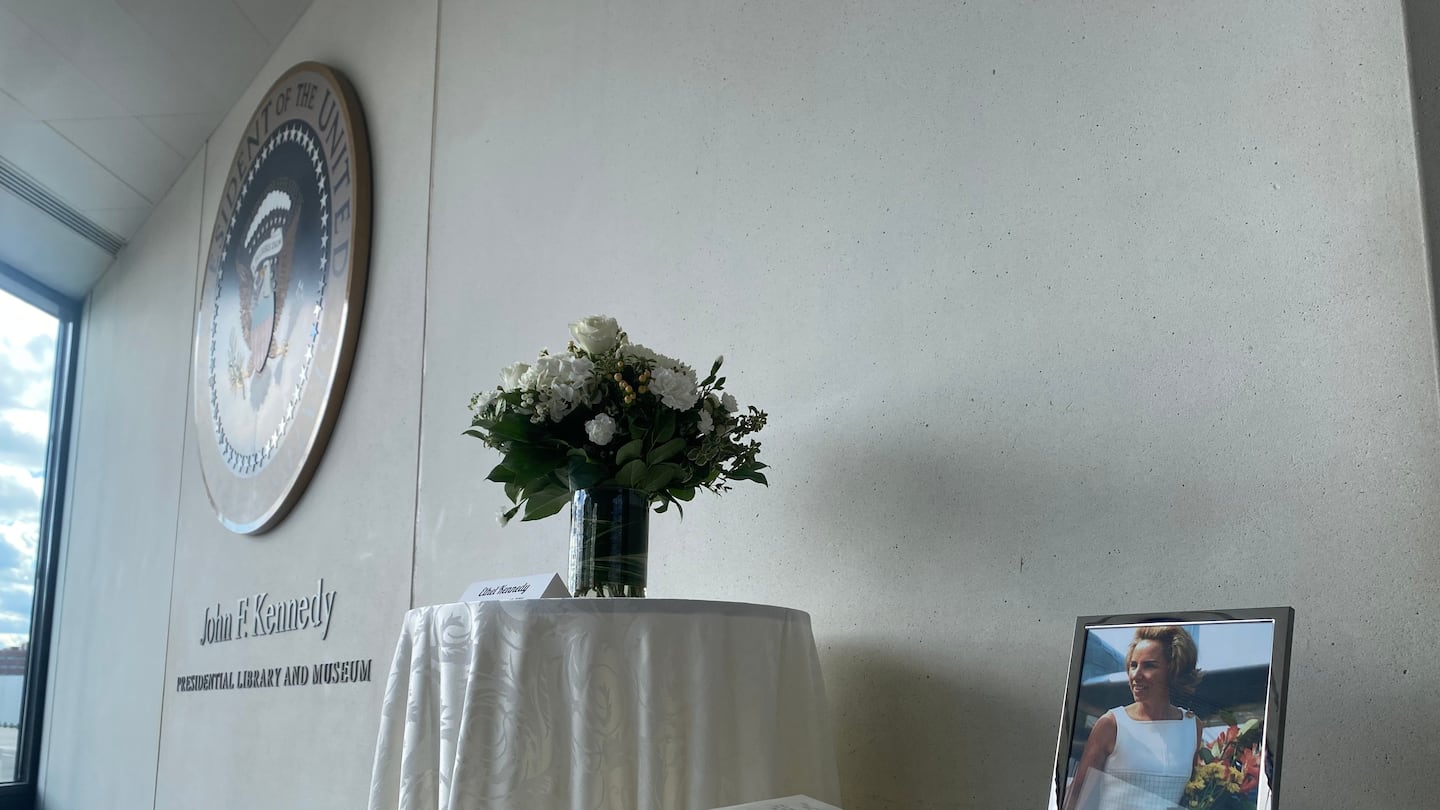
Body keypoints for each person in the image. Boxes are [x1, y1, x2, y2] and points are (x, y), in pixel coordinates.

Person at [1063, 625, 1204, 810]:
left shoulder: (1193, 726)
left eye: (1149, 665)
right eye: (1133, 665)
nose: (1135, 675)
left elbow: (1191, 795)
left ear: (1173, 670)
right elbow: (1076, 798)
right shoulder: (1111, 724)